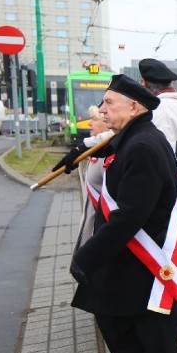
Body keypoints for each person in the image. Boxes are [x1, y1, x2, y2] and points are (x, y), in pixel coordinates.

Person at [70, 75, 177, 353]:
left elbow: (131, 213)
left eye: (108, 103)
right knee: (110, 317)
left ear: (133, 107)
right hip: (125, 253)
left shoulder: (143, 145)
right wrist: (76, 153)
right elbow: (106, 151)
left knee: (155, 332)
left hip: (144, 256)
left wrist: (87, 256)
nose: (102, 109)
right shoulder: (132, 137)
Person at [138, 58, 177, 348]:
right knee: (174, 259)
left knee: (171, 261)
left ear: (144, 84)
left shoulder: (162, 111)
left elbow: (154, 155)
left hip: (170, 197)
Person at [73, 105, 114, 248]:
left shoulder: (107, 157)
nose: (89, 123)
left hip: (98, 233)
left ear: (107, 123)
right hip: (90, 227)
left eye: (94, 119)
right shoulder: (97, 152)